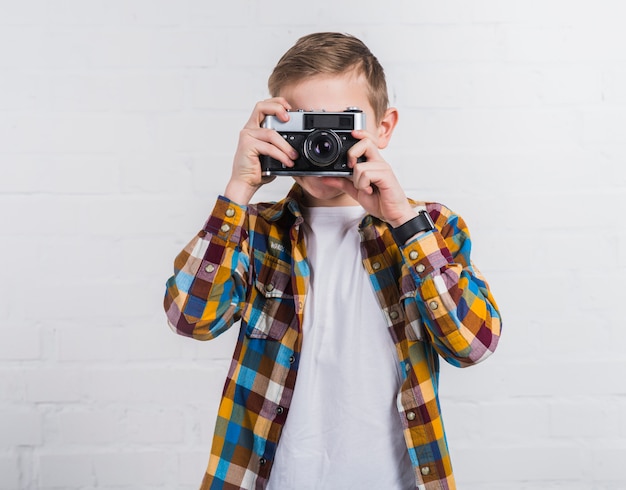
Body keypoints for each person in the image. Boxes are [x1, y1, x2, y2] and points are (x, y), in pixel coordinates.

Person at [164, 32, 501, 490]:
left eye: (341, 124)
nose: (323, 144)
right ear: (275, 130)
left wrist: (404, 220)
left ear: (384, 127)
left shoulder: (432, 229)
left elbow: (473, 344)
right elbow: (190, 318)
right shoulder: (255, 232)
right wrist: (238, 188)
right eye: (305, 126)